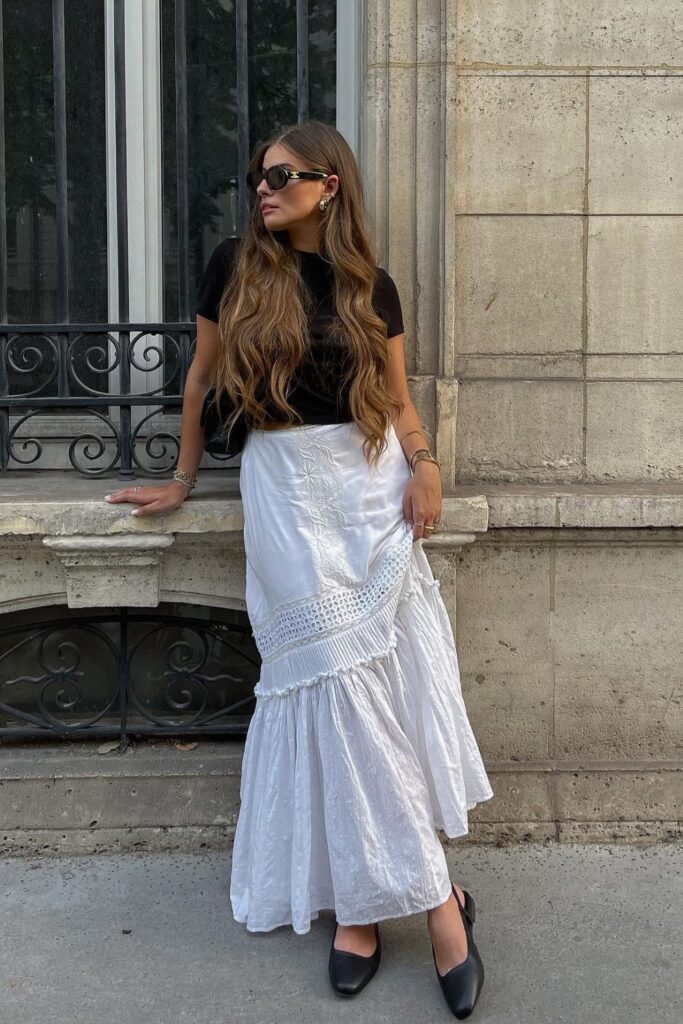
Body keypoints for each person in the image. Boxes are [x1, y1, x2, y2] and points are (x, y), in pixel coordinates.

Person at [104, 120, 494, 1018]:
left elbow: (397, 400)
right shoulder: (233, 268)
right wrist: (179, 476)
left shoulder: (370, 287)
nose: (262, 189)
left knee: (379, 694)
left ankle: (358, 913)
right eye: (257, 176)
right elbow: (201, 380)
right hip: (282, 494)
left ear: (329, 185)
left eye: (281, 175)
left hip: (368, 493)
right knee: (333, 690)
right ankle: (440, 907)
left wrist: (426, 467)